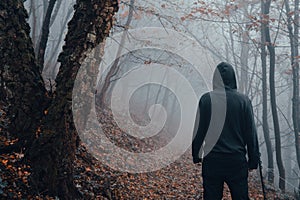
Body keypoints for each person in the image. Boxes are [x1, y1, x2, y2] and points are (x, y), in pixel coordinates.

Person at [192, 62, 260, 200]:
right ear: (233, 78)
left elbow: (199, 131)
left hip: (212, 160)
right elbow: (250, 133)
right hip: (236, 161)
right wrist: (253, 160)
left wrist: (196, 154)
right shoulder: (243, 101)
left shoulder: (206, 100)